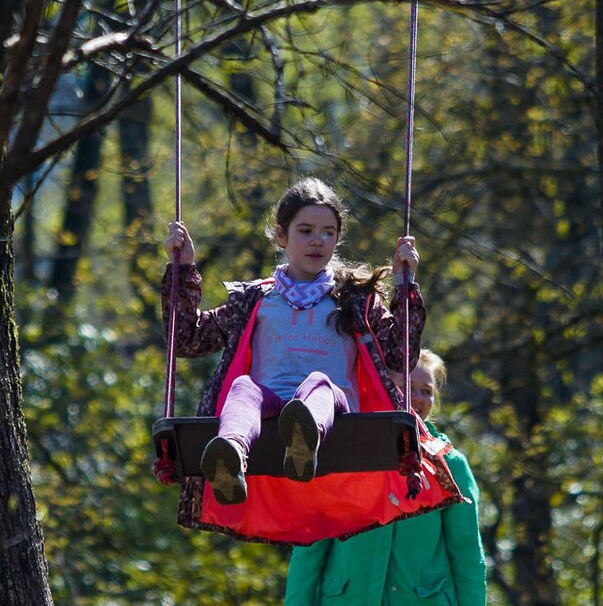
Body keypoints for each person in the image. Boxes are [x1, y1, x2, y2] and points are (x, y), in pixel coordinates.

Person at [163, 177, 422, 504]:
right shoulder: (256, 300)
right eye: (306, 231)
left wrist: (404, 284)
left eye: (328, 233)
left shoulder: (353, 299)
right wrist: (183, 268)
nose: (318, 241)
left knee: (319, 383)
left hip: (334, 415)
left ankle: (305, 437)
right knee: (243, 388)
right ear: (281, 236)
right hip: (270, 413)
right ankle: (231, 453)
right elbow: (187, 339)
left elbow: (400, 355)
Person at [281, 349, 487, 606]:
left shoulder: (450, 465)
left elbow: (468, 561)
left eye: (426, 390)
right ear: (380, 387)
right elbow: (311, 542)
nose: (418, 398)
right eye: (407, 387)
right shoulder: (343, 456)